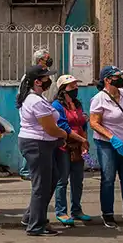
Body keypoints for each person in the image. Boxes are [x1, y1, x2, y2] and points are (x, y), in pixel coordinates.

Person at [17, 64, 68, 236]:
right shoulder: (35, 101)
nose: (49, 80)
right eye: (46, 77)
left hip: (41, 143)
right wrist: (64, 133)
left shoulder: (37, 98)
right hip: (37, 144)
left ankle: (31, 216)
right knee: (41, 186)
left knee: (51, 179)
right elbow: (50, 128)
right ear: (37, 82)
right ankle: (36, 225)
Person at [90, 65, 123, 229]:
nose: (120, 79)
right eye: (116, 76)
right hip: (107, 144)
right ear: (107, 79)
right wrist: (112, 138)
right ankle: (108, 214)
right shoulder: (99, 98)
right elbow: (94, 123)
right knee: (108, 180)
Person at [53, 75, 90, 225]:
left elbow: (83, 124)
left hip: (78, 146)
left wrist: (83, 143)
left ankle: (77, 210)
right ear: (63, 89)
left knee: (78, 180)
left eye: (76, 85)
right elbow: (63, 127)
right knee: (62, 181)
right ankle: (61, 212)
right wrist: (82, 140)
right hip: (63, 146)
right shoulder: (56, 106)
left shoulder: (78, 104)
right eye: (71, 86)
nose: (75, 88)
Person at [18, 48, 57, 178]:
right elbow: (22, 94)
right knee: (34, 141)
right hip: (35, 110)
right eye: (47, 58)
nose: (49, 60)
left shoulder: (49, 75)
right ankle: (26, 170)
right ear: (40, 60)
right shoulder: (31, 76)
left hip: (46, 105)